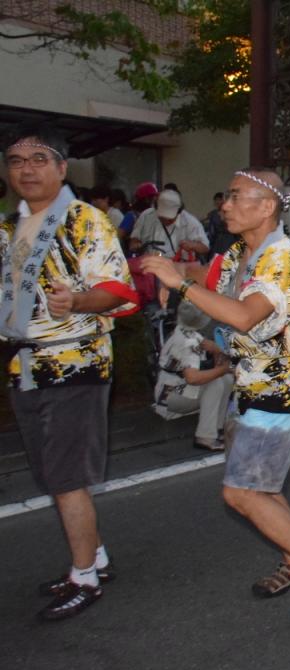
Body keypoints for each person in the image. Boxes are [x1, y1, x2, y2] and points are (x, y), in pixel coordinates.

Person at [141, 168, 290, 625]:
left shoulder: (283, 258)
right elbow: (210, 274)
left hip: (279, 386)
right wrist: (179, 270)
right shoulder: (241, 251)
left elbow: (243, 315)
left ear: (267, 206)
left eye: (236, 197)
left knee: (240, 493)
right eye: (227, 197)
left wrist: (180, 283)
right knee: (261, 486)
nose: (225, 205)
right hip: (249, 381)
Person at [1, 125, 140, 620]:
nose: (27, 169)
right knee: (51, 473)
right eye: (17, 160)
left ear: (62, 168)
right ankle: (94, 558)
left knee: (65, 477)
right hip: (25, 364)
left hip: (75, 361)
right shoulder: (10, 228)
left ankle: (84, 578)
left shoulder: (85, 220)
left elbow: (119, 292)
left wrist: (76, 300)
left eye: (40, 159)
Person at [152, 301, 234, 451]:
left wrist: (217, 350)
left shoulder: (185, 331)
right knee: (215, 383)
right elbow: (193, 378)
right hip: (169, 393)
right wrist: (224, 369)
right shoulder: (189, 343)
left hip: (171, 387)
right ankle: (205, 437)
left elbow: (208, 346)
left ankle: (217, 428)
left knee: (226, 380)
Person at [130, 189, 209, 262]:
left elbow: (205, 248)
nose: (166, 221)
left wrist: (193, 245)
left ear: (179, 211)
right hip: (150, 263)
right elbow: (134, 240)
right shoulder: (146, 216)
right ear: (156, 208)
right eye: (162, 218)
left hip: (178, 266)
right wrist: (136, 244)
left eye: (170, 219)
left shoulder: (190, 222)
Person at [206, 191, 236, 255]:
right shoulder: (213, 214)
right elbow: (211, 230)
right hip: (217, 240)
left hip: (229, 238)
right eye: (216, 200)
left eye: (219, 199)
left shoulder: (230, 212)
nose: (217, 202)